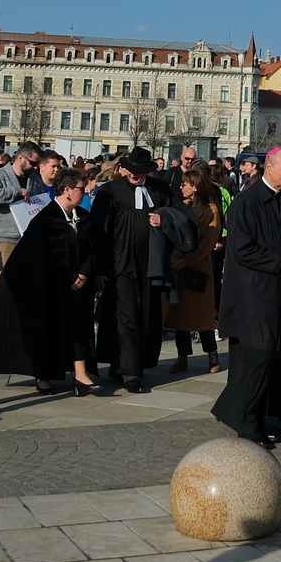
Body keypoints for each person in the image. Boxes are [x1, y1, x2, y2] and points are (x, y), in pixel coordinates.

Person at [213, 145, 281, 445]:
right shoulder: (247, 201)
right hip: (249, 294)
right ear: (269, 169)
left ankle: (241, 413)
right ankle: (248, 423)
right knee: (257, 357)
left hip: (275, 295)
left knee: (261, 358)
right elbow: (241, 250)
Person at [0, 167, 97, 394]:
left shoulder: (83, 217)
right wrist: (70, 277)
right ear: (67, 190)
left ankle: (81, 375)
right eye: (80, 189)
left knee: (79, 327)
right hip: (53, 287)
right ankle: (43, 375)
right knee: (49, 330)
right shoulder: (46, 218)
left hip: (79, 286)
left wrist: (84, 273)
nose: (84, 193)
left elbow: (91, 248)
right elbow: (47, 255)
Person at [88, 147, 175, 392]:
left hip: (150, 264)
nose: (135, 175)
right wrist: (100, 267)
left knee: (145, 314)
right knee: (124, 316)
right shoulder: (110, 192)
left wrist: (164, 220)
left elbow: (178, 216)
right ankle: (129, 372)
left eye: (141, 171)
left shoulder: (160, 190)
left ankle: (127, 364)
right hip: (119, 264)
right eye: (132, 170)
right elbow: (99, 231)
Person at [169, 163, 223, 375]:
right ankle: (182, 356)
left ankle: (212, 354)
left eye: (185, 184)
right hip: (178, 265)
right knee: (180, 315)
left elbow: (208, 243)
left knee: (202, 317)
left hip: (198, 267)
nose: (181, 187)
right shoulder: (183, 205)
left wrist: (188, 260)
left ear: (196, 186)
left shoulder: (211, 210)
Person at [0, 141, 40, 271]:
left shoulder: (35, 179)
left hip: (29, 240)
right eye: (33, 163)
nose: (35, 167)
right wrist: (17, 191)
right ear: (20, 158)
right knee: (4, 284)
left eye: (37, 164)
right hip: (6, 238)